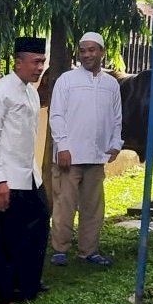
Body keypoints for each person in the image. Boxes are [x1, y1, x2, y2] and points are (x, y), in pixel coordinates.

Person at [0, 37, 50, 304]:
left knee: (38, 219)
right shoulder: (0, 91)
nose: (40, 67)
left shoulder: (30, 92)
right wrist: (0, 181)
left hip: (28, 174)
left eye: (42, 61)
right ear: (19, 62)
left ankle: (23, 283)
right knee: (0, 239)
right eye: (36, 62)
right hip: (4, 178)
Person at [48, 31, 123, 267]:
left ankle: (88, 250)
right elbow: (56, 114)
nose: (87, 54)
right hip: (69, 156)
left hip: (96, 155)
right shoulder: (66, 80)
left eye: (92, 50)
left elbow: (116, 117)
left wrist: (115, 144)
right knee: (64, 204)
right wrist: (63, 146)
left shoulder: (111, 84)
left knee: (93, 207)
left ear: (101, 52)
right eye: (83, 50)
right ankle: (60, 249)